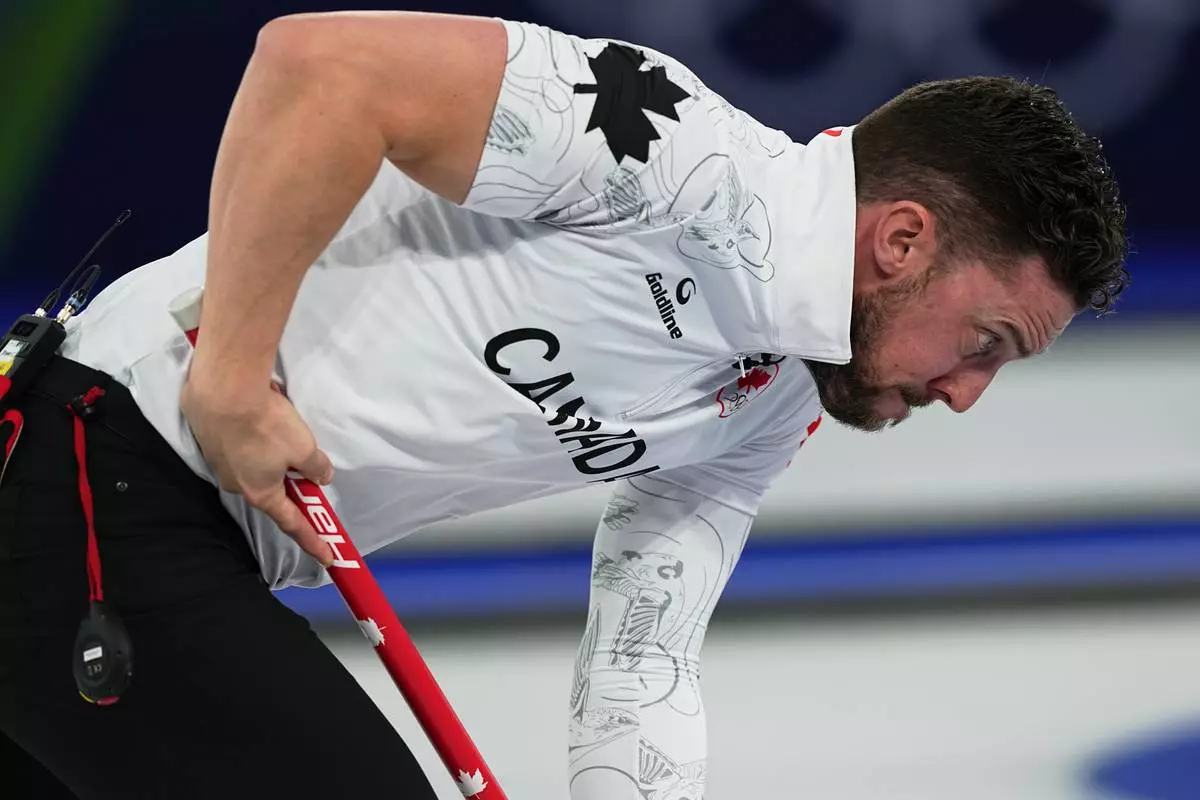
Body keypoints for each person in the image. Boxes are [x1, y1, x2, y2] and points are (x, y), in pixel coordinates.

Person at [0, 9, 1128, 799]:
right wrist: (234, 376)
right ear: (901, 241)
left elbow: (645, 658)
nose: (969, 393)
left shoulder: (771, 396)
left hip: (140, 524)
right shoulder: (673, 152)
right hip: (95, 465)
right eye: (987, 342)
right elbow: (317, 67)